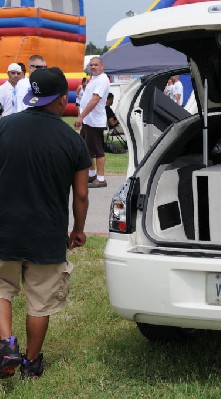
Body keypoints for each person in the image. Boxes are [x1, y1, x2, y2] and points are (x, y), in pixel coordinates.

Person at [0, 67, 90, 379]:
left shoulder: (4, 127)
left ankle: (6, 345)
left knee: (1, 288)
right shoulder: (73, 141)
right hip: (48, 233)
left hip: (4, 229)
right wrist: (78, 229)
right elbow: (80, 195)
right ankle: (30, 364)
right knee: (40, 301)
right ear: (63, 98)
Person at [75, 56, 110, 188]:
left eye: (96, 65)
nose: (93, 67)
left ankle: (101, 179)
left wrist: (81, 116)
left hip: (95, 121)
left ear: (102, 66)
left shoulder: (102, 80)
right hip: (88, 121)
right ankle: (92, 175)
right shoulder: (94, 79)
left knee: (98, 151)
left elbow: (95, 100)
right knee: (87, 149)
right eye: (91, 65)